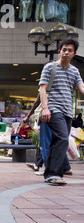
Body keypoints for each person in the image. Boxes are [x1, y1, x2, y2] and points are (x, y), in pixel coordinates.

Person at [39, 38, 84, 185]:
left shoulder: (74, 71)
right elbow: (42, 89)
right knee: (63, 139)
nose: (66, 52)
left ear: (74, 53)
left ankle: (49, 174)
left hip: (67, 111)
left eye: (69, 50)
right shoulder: (50, 67)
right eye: (64, 50)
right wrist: (45, 108)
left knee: (57, 140)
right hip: (53, 108)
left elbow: (81, 87)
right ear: (60, 51)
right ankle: (54, 174)